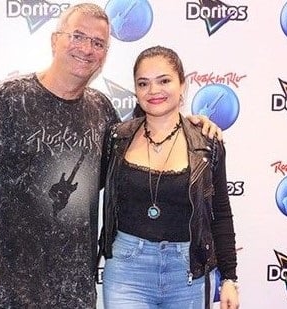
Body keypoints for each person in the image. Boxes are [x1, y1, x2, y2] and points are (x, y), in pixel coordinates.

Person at [0, 4, 222, 308]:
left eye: (98, 43)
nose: (86, 48)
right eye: (78, 36)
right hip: (10, 288)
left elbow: (152, 127)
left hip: (77, 292)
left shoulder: (102, 110)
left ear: (104, 54)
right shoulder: (7, 99)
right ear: (55, 40)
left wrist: (191, 125)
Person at [99, 46, 239, 309]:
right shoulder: (116, 139)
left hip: (188, 273)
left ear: (182, 86)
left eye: (164, 80)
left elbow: (220, 213)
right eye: (144, 83)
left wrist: (229, 277)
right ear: (136, 91)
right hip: (128, 271)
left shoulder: (207, 143)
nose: (154, 91)